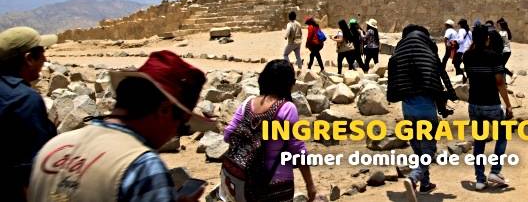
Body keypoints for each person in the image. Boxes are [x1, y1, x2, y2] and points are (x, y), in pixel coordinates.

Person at [29, 50, 214, 201]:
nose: (174, 135)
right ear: (164, 110)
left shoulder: (52, 148)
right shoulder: (142, 166)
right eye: (182, 127)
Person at [220, 59, 316, 202]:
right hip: (274, 184)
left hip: (240, 180)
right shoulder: (287, 108)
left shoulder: (247, 103)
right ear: (287, 83)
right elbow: (297, 150)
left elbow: (228, 135)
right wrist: (310, 184)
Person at [387, 24, 456, 202]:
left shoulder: (399, 53)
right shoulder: (428, 52)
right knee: (429, 147)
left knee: (417, 145)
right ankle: (414, 176)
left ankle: (425, 184)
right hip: (425, 106)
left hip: (407, 106)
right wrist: (444, 105)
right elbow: (439, 79)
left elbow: (394, 81)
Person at [0, 27, 57, 202]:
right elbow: (30, 170)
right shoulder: (25, 99)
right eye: (42, 54)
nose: (45, 59)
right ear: (29, 59)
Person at [463, 25, 513, 190]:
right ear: (488, 38)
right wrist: (509, 105)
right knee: (502, 136)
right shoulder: (494, 56)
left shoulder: (467, 56)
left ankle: (479, 179)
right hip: (491, 103)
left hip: (474, 104)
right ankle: (495, 171)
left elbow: (471, 54)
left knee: (479, 141)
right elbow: (500, 83)